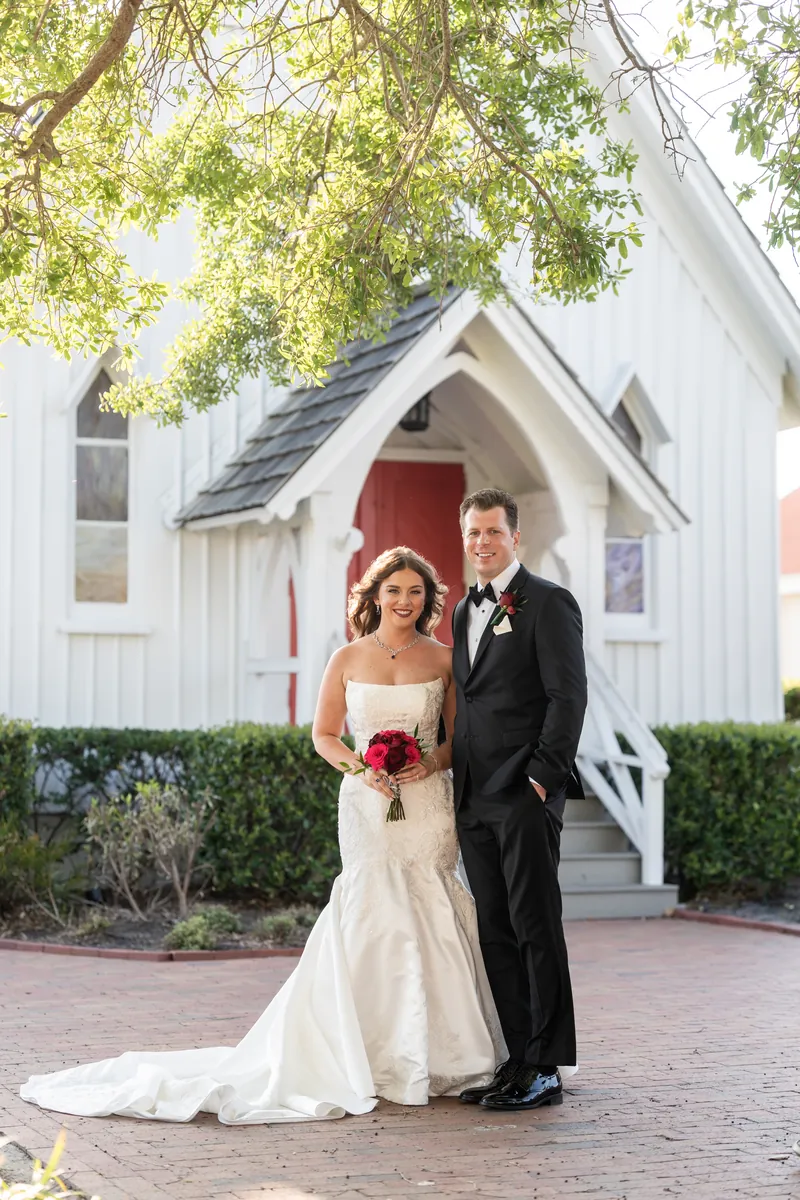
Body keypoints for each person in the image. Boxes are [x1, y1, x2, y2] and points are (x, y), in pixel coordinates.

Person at [21, 547, 504, 1124]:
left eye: (415, 591)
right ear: (374, 596)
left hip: (426, 800)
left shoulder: (446, 659)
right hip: (368, 801)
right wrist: (363, 770)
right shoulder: (346, 657)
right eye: (393, 590)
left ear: (428, 599)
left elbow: (458, 739)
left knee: (431, 895)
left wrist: (428, 764)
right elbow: (325, 735)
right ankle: (371, 1053)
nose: (404, 600)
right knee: (374, 903)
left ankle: (450, 1054)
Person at [452, 488, 587, 1111]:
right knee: (495, 929)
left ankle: (547, 1066)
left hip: (525, 793)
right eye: (473, 533)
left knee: (535, 925)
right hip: (474, 796)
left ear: (515, 537)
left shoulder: (549, 603)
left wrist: (541, 778)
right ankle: (518, 1060)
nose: (482, 543)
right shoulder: (460, 613)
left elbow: (568, 698)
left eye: (492, 533)